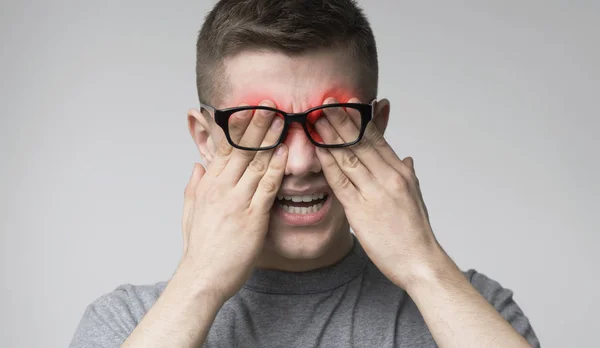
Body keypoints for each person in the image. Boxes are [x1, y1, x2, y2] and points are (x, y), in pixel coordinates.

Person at [70, 0, 540, 347]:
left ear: (375, 128)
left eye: (333, 122)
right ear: (205, 137)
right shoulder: (126, 322)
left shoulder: (475, 306)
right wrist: (198, 283)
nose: (301, 163)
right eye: (257, 126)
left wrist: (425, 268)